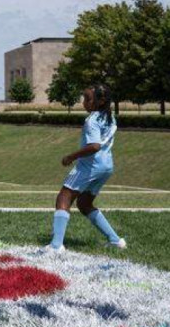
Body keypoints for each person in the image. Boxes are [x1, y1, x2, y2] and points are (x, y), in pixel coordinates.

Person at [46, 84, 126, 252]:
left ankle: (56, 246)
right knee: (84, 203)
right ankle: (115, 240)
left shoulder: (92, 120)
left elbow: (94, 146)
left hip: (90, 165)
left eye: (88, 98)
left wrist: (71, 156)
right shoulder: (109, 117)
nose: (84, 102)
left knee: (64, 198)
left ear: (100, 101)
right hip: (106, 166)